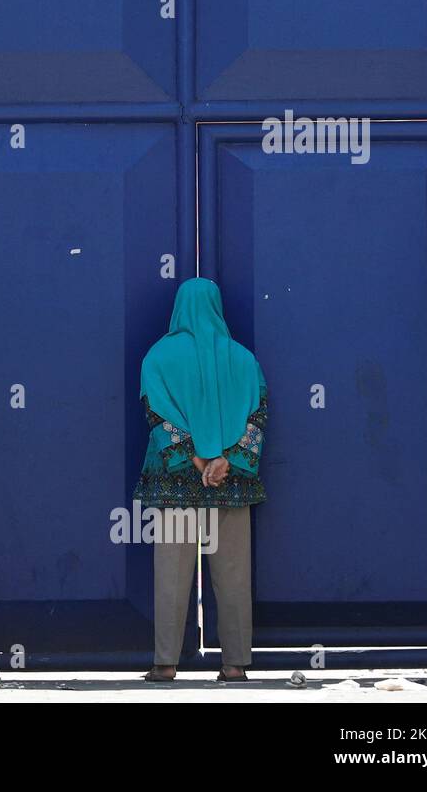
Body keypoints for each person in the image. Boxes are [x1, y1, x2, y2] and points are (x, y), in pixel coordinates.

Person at [134, 277, 267, 683]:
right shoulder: (244, 359)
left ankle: (165, 664)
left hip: (175, 483)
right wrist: (225, 462)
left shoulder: (157, 357)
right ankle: (234, 664)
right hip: (231, 482)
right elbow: (257, 418)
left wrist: (194, 459)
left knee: (171, 574)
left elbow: (156, 416)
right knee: (233, 573)